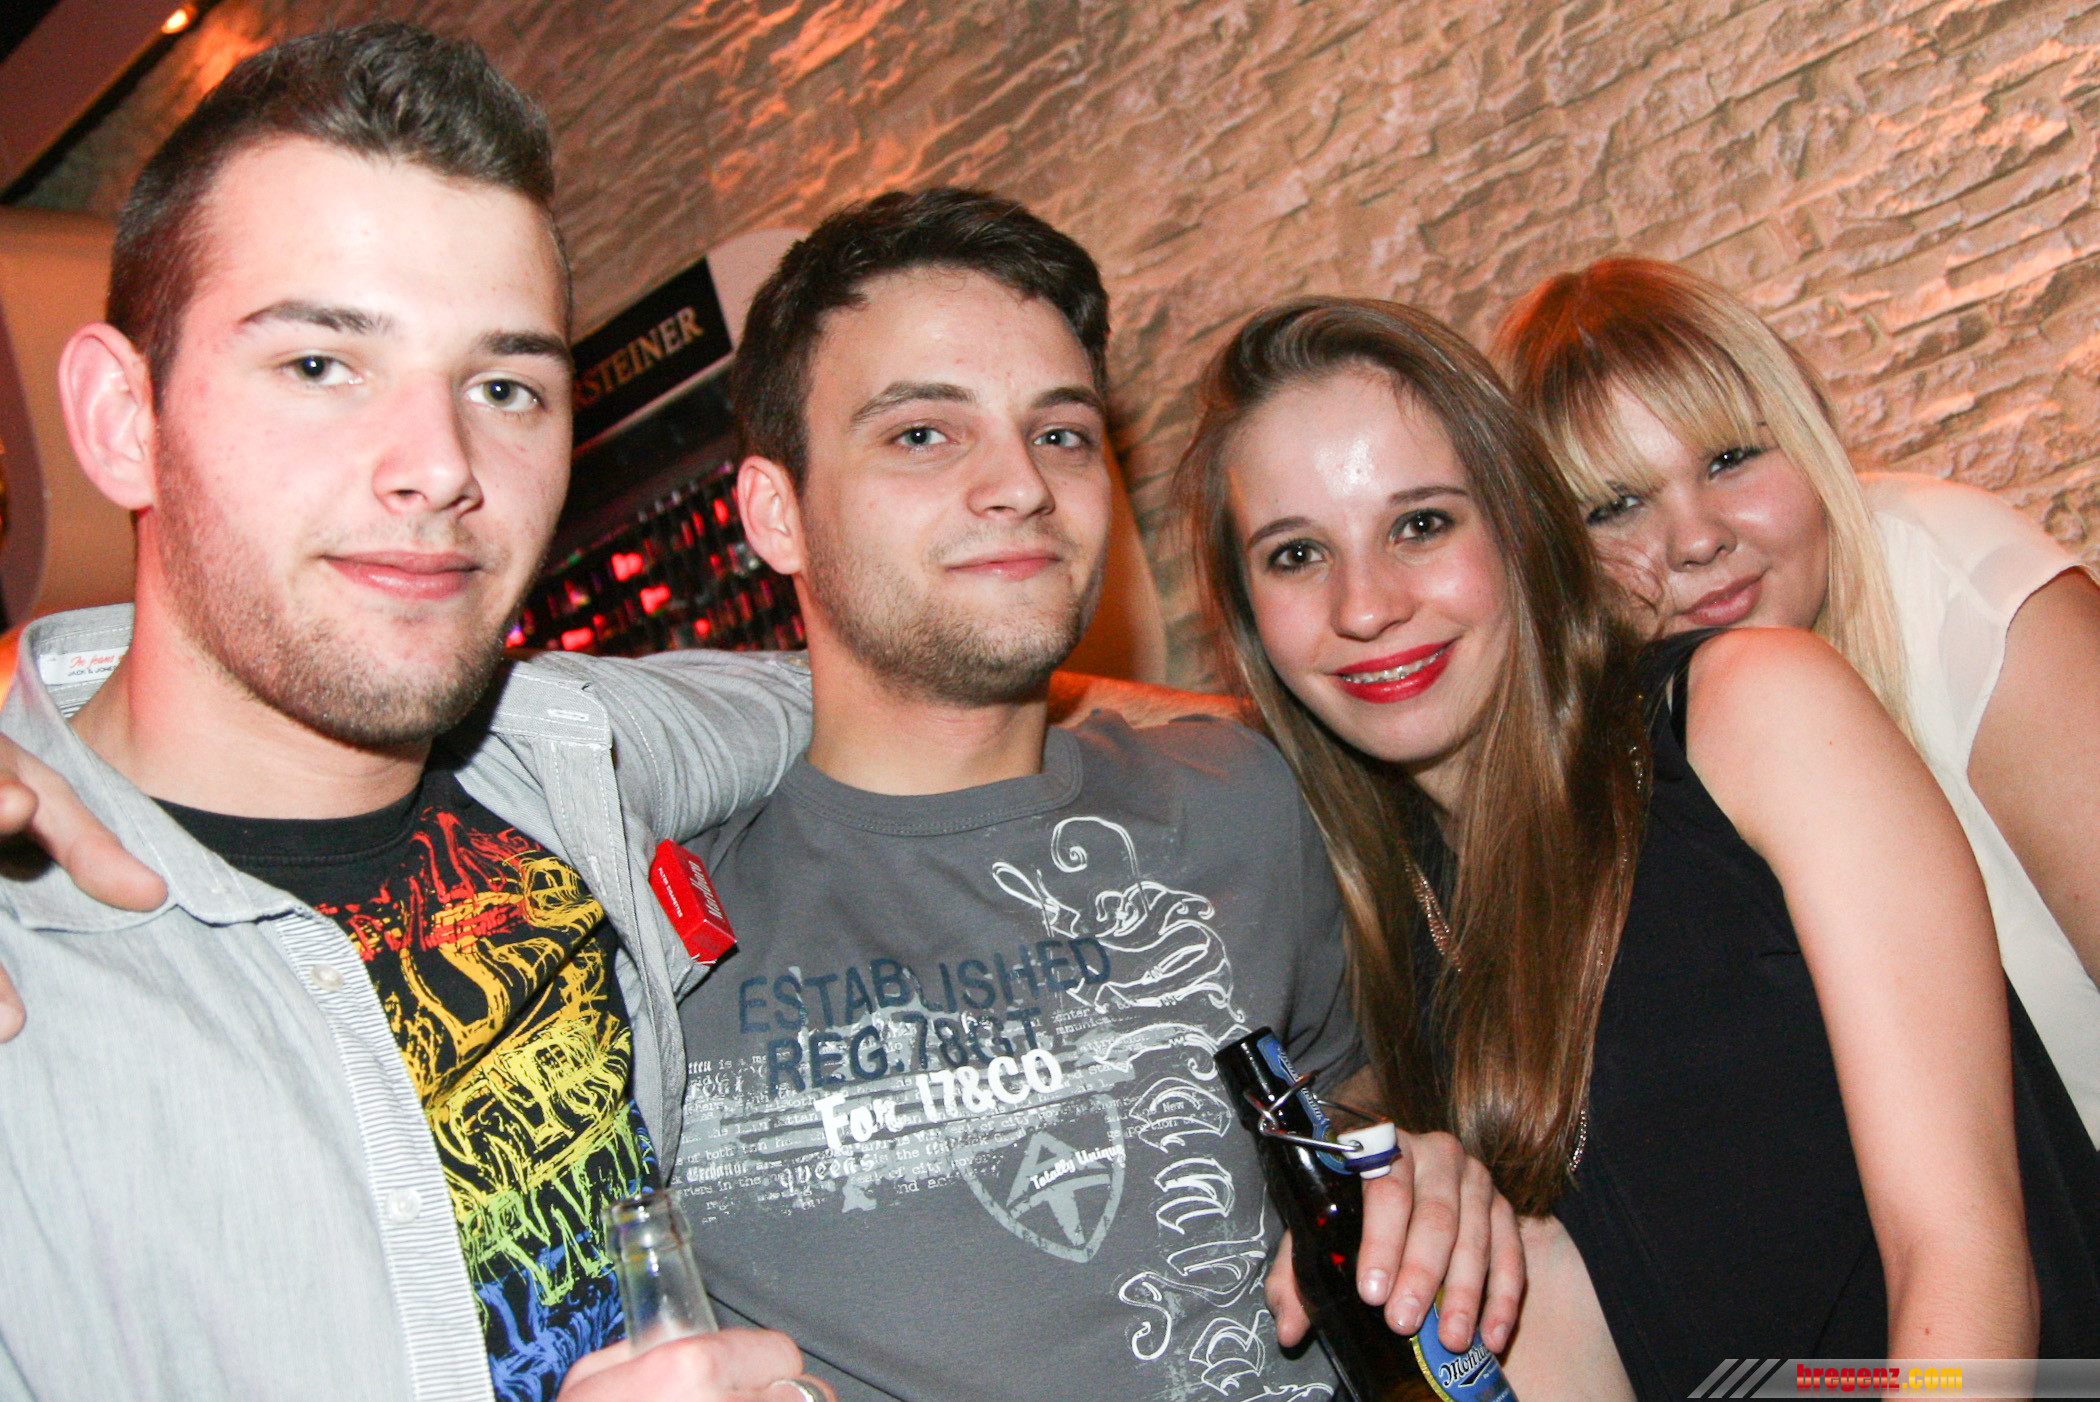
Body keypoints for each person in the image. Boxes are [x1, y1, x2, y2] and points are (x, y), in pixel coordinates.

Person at [0, 24, 835, 1401]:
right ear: (120, 417)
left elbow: (881, 692)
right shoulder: (31, 970)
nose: (443, 464)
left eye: (504, 387)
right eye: (320, 365)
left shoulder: (568, 748)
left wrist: (1170, 718)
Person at [658, 189, 1523, 1402]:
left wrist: (1413, 1168)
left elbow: (1356, 1080)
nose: (1020, 483)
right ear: (776, 512)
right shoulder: (655, 922)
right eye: (923, 433)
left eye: (1060, 432)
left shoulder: (1243, 797)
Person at [1170, 296, 2050, 1400]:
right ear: (1249, 617)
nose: (1368, 605)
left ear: (1521, 525)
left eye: (1421, 525)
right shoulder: (1385, 923)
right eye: (1297, 554)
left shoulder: (1745, 714)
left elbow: (1965, 1261)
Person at [1493, 257, 2100, 1146]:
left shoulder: (1956, 587)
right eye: (1615, 505)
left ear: (1809, 431)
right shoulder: (1612, 750)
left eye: (1730, 459)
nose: (1697, 538)